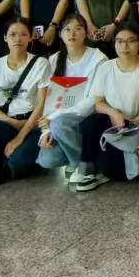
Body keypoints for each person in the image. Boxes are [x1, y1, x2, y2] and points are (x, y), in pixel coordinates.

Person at [43, 22, 139, 191]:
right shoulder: (107, 67)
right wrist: (114, 113)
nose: (124, 46)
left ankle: (99, 169)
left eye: (131, 41)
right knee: (92, 121)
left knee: (115, 171)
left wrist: (138, 118)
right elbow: (97, 101)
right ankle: (86, 168)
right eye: (119, 41)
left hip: (137, 126)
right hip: (112, 125)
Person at [32, 13, 110, 178]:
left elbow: (94, 99)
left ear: (86, 33)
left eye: (78, 29)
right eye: (67, 29)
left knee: (60, 124)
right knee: (47, 160)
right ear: (60, 34)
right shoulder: (54, 60)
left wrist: (55, 118)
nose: (72, 33)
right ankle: (77, 157)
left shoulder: (98, 59)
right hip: (59, 120)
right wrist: (46, 131)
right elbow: (48, 99)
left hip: (87, 117)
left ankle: (82, 165)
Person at [0, 19, 53, 187]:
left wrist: (20, 136)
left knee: (21, 158)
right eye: (12, 34)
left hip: (33, 123)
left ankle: (7, 167)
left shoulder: (41, 64)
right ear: (5, 38)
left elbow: (42, 104)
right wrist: (13, 123)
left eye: (23, 35)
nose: (18, 39)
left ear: (30, 38)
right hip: (7, 121)